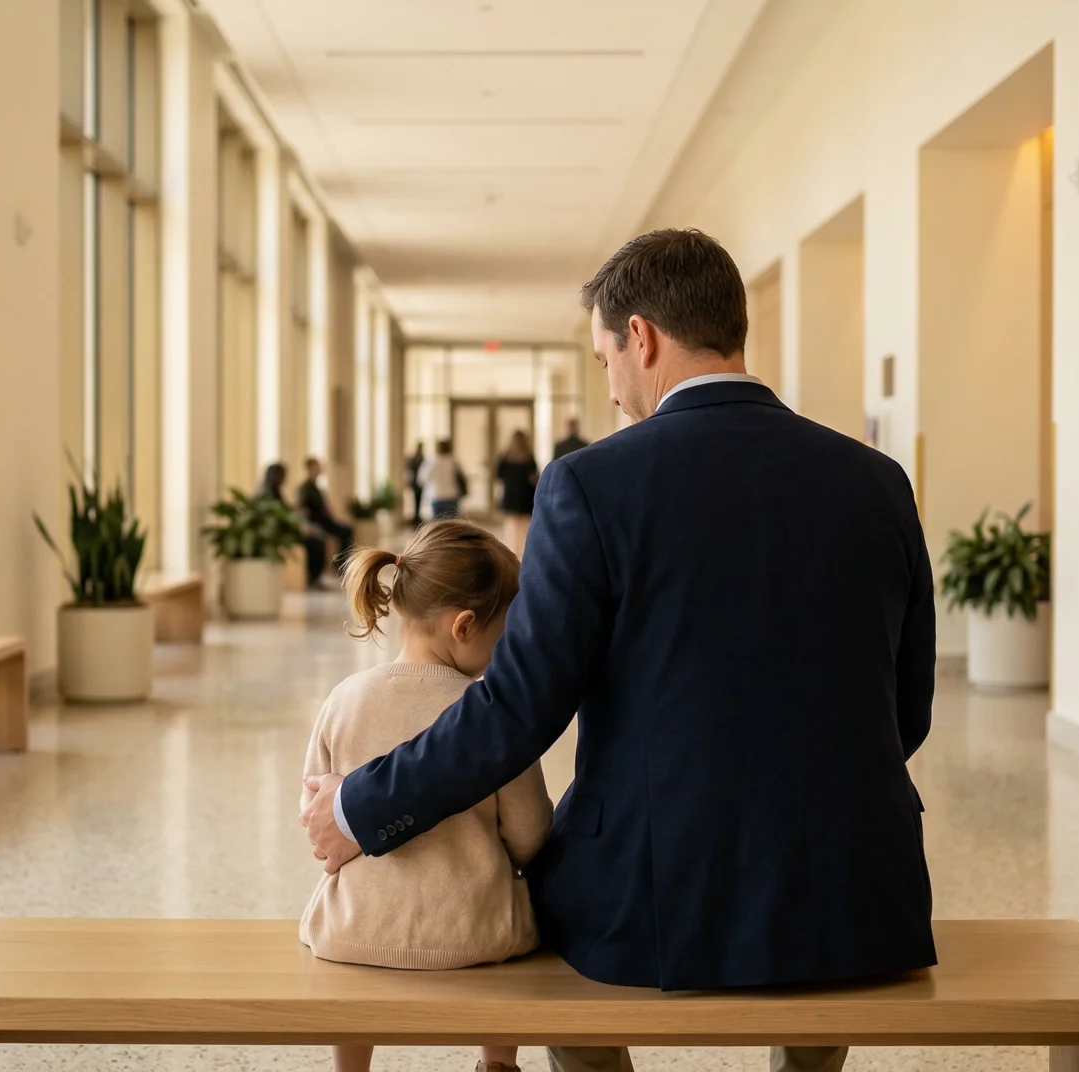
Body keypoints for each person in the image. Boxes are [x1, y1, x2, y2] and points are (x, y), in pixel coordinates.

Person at [302, 229, 937, 1072]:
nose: (610, 390)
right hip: (855, 887)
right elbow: (909, 706)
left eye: (605, 360)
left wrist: (358, 809)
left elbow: (518, 708)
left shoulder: (590, 484)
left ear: (641, 336)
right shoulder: (877, 480)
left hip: (653, 894)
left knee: (553, 906)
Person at [302, 520, 550, 1072]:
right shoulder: (491, 715)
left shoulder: (346, 698)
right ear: (465, 626)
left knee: (348, 968)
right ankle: (498, 1064)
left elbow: (316, 814)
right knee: (519, 922)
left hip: (353, 934)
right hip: (476, 936)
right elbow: (530, 833)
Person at [299, 458, 354, 588]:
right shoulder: (304, 488)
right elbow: (302, 509)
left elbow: (327, 509)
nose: (319, 470)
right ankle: (316, 575)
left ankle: (342, 565)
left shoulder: (318, 488)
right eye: (316, 467)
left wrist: (337, 518)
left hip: (324, 520)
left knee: (346, 530)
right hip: (316, 522)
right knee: (320, 540)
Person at [493, 429, 539, 554]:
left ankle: (512, 552)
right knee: (525, 527)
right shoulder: (529, 457)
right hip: (525, 497)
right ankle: (525, 552)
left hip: (511, 496)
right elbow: (534, 477)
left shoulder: (506, 457)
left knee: (511, 528)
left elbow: (498, 475)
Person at [420, 439, 463, 520]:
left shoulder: (431, 461)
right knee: (451, 524)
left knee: (438, 526)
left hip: (437, 495)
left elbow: (422, 479)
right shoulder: (453, 461)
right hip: (451, 495)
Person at [405, 443, 427, 527]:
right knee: (417, 501)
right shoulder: (420, 458)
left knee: (417, 501)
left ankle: (416, 518)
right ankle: (416, 518)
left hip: (416, 483)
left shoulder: (415, 458)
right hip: (418, 483)